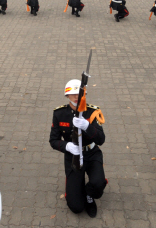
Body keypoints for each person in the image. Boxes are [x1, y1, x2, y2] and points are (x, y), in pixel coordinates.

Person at [49, 79, 106, 218]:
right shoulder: (59, 114)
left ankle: (89, 195)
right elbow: (53, 140)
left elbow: (101, 139)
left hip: (92, 153)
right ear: (67, 96)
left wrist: (87, 127)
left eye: (79, 93)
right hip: (73, 156)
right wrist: (66, 146)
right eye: (73, 94)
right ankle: (76, 189)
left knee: (98, 185)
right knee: (76, 207)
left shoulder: (92, 111)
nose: (76, 96)